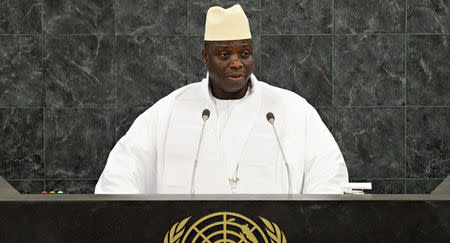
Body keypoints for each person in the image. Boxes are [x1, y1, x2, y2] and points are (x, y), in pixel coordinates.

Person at [95, 4, 348, 194]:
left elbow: (329, 177)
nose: (236, 63)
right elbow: (119, 179)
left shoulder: (292, 111)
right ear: (206, 58)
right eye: (224, 54)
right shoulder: (169, 112)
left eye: (244, 53)